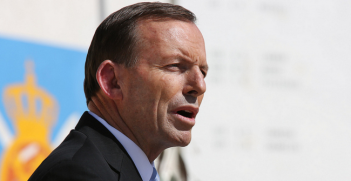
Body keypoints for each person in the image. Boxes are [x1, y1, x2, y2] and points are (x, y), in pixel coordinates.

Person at [29, 2, 208, 181]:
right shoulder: (76, 173)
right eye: (175, 66)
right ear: (113, 81)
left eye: (203, 72)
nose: (200, 86)